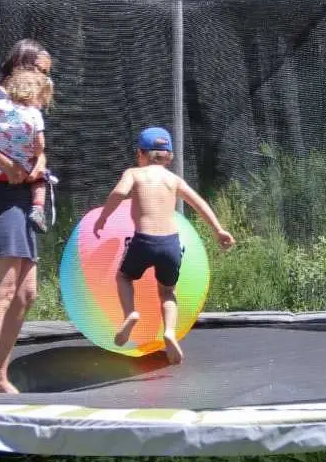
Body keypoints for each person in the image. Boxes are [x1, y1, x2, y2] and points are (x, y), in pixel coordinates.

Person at [93, 127, 235, 364]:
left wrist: (103, 217)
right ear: (169, 156)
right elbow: (199, 204)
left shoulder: (134, 174)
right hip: (170, 244)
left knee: (124, 277)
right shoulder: (173, 180)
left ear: (140, 153)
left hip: (144, 240)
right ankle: (169, 331)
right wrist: (218, 230)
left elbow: (118, 193)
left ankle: (131, 313)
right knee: (168, 292)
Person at [0, 39, 54, 393]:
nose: (45, 78)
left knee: (25, 293)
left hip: (24, 196)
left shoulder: (30, 104)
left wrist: (38, 165)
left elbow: (38, 148)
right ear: (21, 66)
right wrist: (6, 165)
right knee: (3, 290)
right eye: (41, 70)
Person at [0, 59, 55, 233]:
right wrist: (37, 153)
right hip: (22, 168)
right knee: (41, 178)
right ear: (35, 95)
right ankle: (38, 208)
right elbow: (39, 143)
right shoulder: (34, 114)